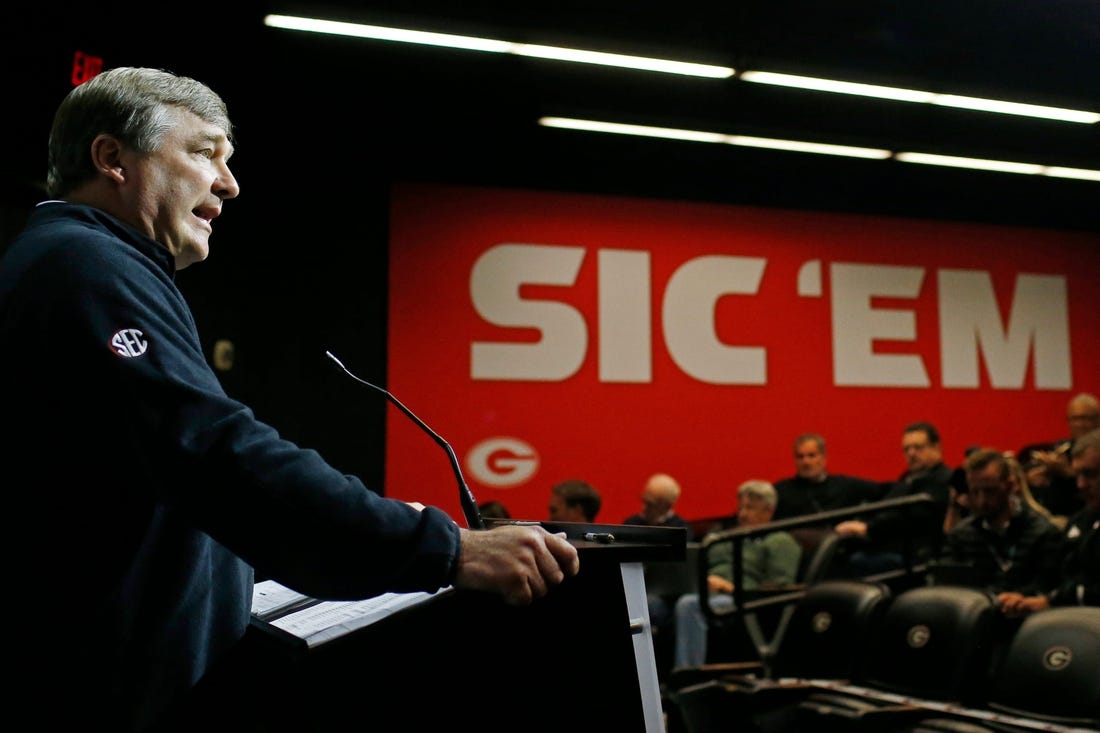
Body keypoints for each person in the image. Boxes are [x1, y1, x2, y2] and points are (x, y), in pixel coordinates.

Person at [0, 67, 580, 732]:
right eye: (204, 153)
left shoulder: (81, 260)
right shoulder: (82, 266)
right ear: (112, 159)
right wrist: (443, 548)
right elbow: (215, 453)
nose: (229, 182)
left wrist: (375, 526)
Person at [672, 480, 801, 669]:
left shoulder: (780, 541)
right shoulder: (725, 538)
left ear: (768, 511)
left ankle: (688, 674)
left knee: (689, 605)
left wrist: (730, 588)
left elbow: (778, 588)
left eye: (750, 508)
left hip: (741, 600)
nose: (742, 514)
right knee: (659, 603)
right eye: (741, 507)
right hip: (703, 590)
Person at [933, 448, 1064, 609]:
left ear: (1010, 486)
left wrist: (1021, 598)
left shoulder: (1043, 532)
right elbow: (949, 587)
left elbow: (1048, 586)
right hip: (976, 616)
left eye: (989, 491)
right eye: (975, 492)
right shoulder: (961, 536)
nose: (982, 501)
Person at [1000, 427, 1100, 615]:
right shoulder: (1080, 521)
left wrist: (1051, 601)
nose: (1081, 484)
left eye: (1091, 474)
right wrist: (1023, 597)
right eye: (1077, 474)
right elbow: (1056, 578)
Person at [834, 421, 953, 575]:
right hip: (887, 547)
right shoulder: (907, 479)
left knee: (847, 562)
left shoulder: (942, 480)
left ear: (936, 448)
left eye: (918, 447)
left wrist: (867, 528)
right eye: (907, 449)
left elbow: (913, 516)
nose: (911, 453)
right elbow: (885, 501)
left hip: (913, 554)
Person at [1018, 392, 1100, 520]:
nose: (1080, 424)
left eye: (1086, 418)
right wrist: (1031, 479)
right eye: (1075, 418)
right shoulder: (1061, 449)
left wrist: (1069, 474)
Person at [771, 433, 887, 522]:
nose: (805, 462)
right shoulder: (781, 490)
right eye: (800, 457)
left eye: (812, 455)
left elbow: (885, 490)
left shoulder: (844, 485)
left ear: (824, 458)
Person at [623, 472, 693, 535]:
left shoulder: (680, 530)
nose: (644, 507)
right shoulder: (630, 524)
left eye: (651, 505)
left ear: (667, 506)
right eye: (644, 501)